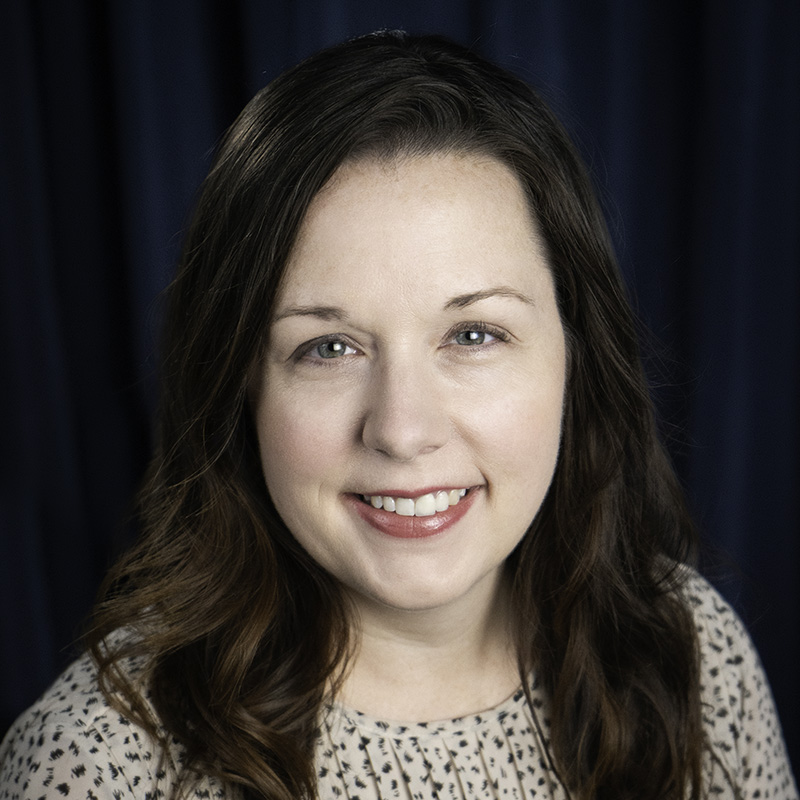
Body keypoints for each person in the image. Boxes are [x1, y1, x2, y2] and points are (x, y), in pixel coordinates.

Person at [0, 30, 795, 800]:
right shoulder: (95, 765)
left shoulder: (687, 653)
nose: (403, 430)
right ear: (240, 378)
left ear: (574, 353)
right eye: (329, 348)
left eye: (474, 334)